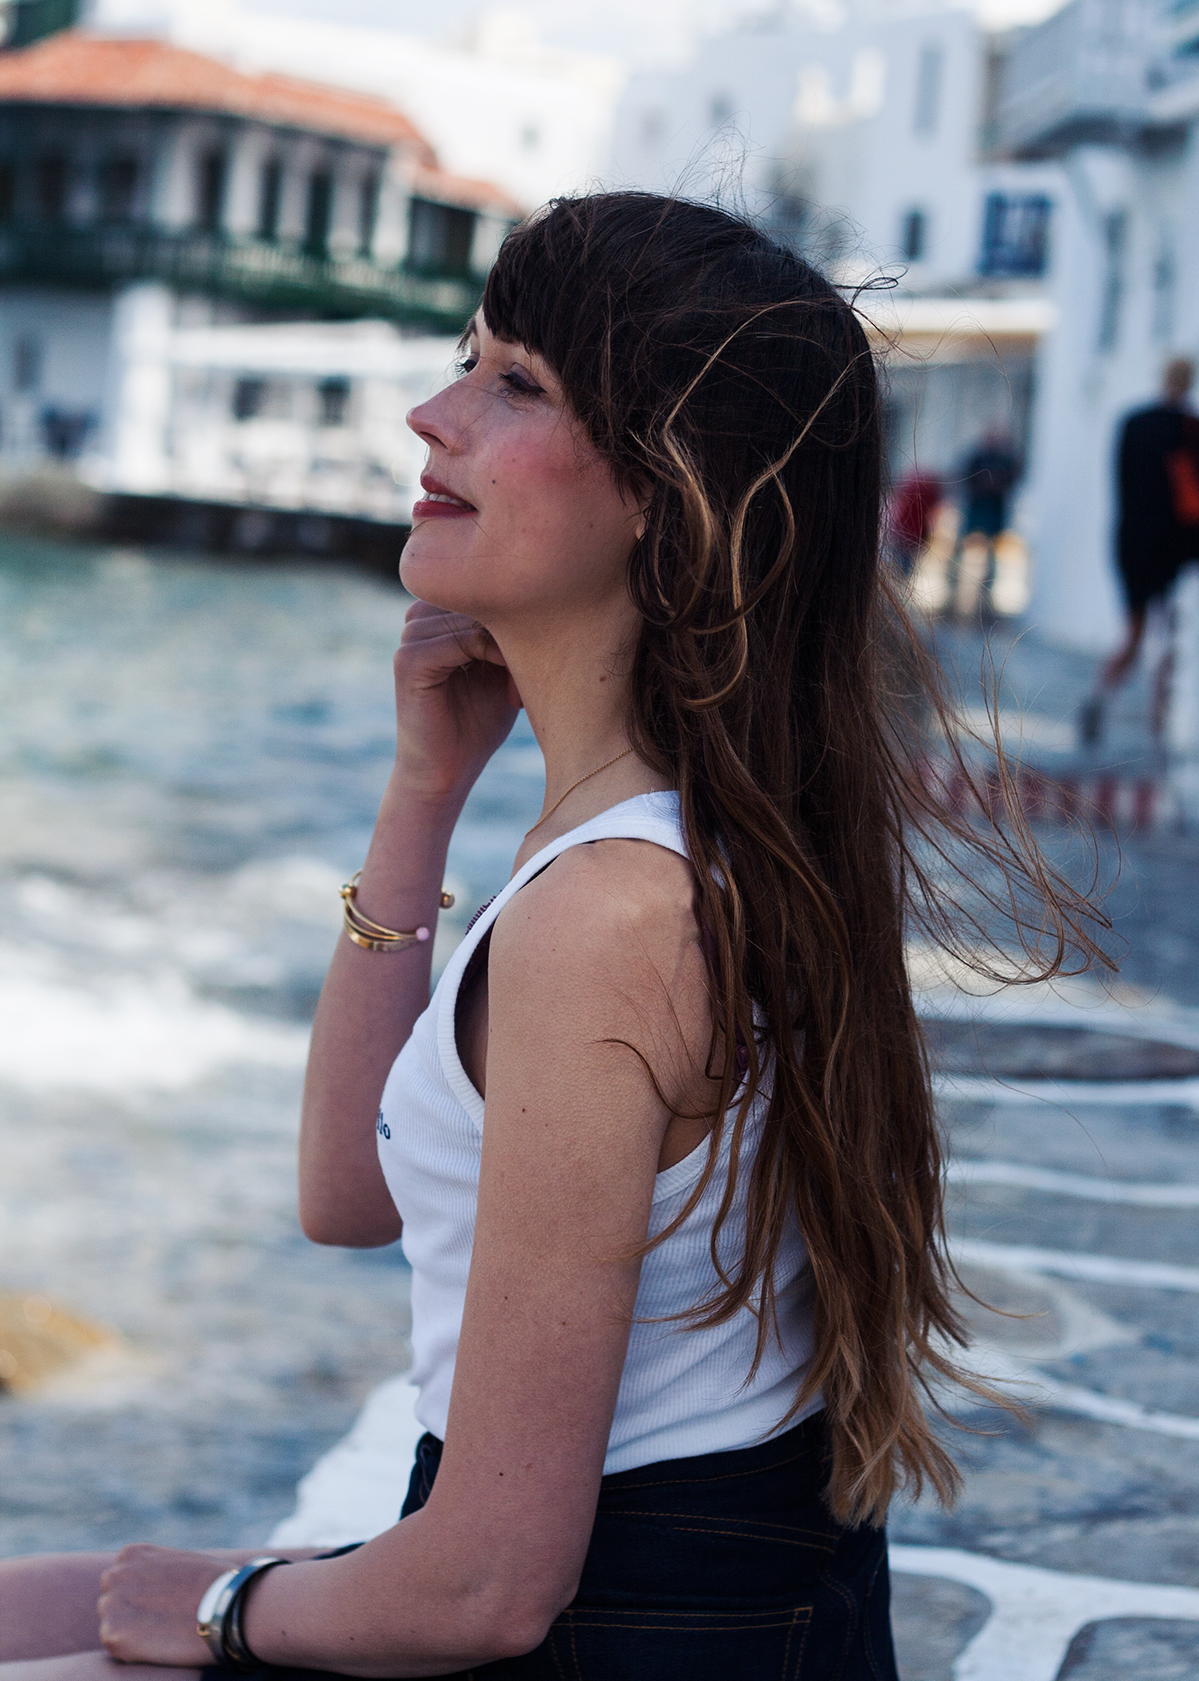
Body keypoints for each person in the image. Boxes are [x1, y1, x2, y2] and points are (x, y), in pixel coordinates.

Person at [0, 194, 1104, 1681]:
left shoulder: (613, 914)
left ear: (668, 489)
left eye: (516, 383)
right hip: (687, 1602)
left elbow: (489, 1589)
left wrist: (229, 1608)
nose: (433, 413)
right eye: (467, 360)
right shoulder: (683, 840)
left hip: (618, 1628)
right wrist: (422, 793)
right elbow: (350, 1195)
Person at [1082, 358, 1199, 743]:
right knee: (1169, 639)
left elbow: (1120, 482)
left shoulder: (1133, 422)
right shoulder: (1190, 429)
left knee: (1133, 635)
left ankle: (1099, 695)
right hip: (1173, 548)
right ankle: (1158, 722)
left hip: (1130, 542)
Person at [952, 425, 1022, 618]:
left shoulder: (1003, 460)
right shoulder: (978, 458)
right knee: (967, 557)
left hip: (993, 515)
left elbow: (1011, 479)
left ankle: (983, 604)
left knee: (989, 561)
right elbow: (965, 477)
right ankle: (960, 601)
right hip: (977, 514)